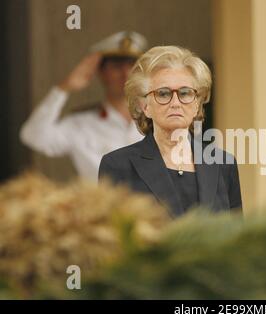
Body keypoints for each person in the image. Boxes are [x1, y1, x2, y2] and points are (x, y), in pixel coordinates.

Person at [98, 46, 242, 217]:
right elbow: (109, 238)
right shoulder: (117, 165)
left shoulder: (223, 164)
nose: (176, 102)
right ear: (144, 107)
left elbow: (238, 237)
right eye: (163, 94)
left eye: (185, 93)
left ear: (197, 104)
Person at [20, 31, 148, 180]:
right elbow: (34, 136)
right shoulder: (80, 124)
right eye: (117, 66)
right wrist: (64, 88)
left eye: (133, 65)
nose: (126, 73)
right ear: (101, 72)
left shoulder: (160, 118)